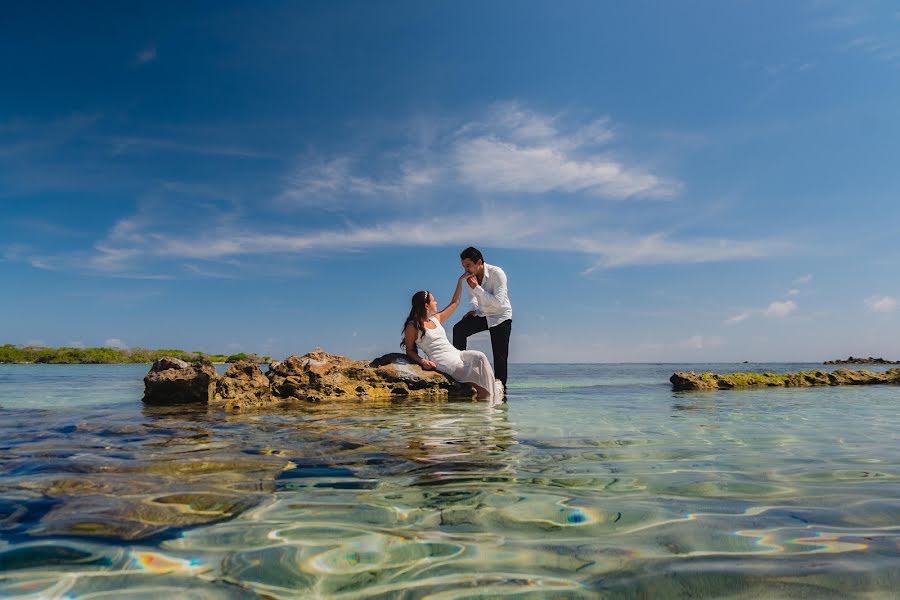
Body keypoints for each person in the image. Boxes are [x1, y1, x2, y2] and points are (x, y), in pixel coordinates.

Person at [402, 272, 501, 400]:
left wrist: (460, 280)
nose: (436, 302)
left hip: (456, 353)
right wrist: (422, 361)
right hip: (443, 360)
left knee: (480, 357)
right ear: (426, 306)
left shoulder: (435, 319)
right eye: (433, 300)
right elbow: (409, 350)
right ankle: (490, 404)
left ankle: (493, 395)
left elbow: (455, 303)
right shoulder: (412, 326)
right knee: (482, 389)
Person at [452, 247, 512, 392]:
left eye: (468, 266)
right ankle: (459, 371)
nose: (466, 270)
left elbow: (498, 302)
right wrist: (472, 311)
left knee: (500, 356)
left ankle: (501, 390)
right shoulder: (470, 277)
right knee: (458, 329)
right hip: (482, 314)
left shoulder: (497, 273)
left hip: (500, 316)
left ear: (479, 262)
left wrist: (477, 288)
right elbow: (473, 298)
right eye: (463, 266)